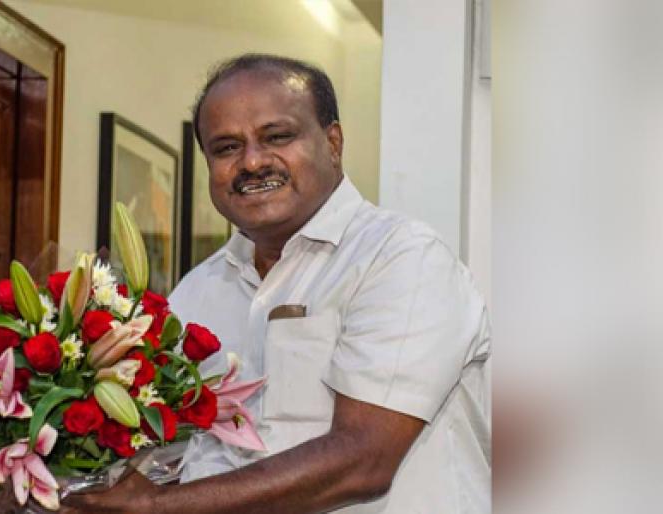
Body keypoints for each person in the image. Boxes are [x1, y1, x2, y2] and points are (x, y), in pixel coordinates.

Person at [64, 54, 490, 513]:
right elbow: (176, 453)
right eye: (226, 148)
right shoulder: (197, 290)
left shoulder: (401, 258)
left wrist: (158, 507)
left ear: (333, 143)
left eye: (277, 137)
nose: (251, 162)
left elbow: (365, 459)